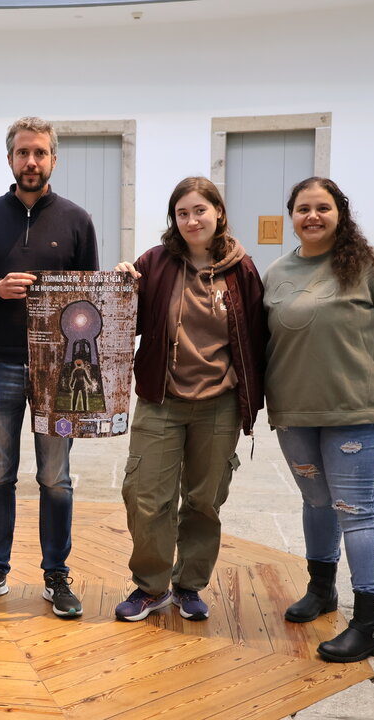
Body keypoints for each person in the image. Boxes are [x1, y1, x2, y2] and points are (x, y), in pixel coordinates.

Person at [264, 177, 374, 662]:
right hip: (294, 412)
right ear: (292, 216)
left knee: (356, 512)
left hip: (353, 414)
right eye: (303, 209)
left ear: (340, 212)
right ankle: (322, 590)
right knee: (316, 501)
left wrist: (365, 376)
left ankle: (371, 624)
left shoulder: (373, 265)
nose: (313, 216)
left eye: (323, 208)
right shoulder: (276, 271)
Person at [0, 117, 98, 617]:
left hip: (59, 372)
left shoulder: (77, 220)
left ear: (53, 159)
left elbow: (91, 299)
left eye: (40, 153)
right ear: (10, 159)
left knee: (56, 478)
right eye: (22, 153)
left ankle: (56, 577)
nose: (31, 161)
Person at [113, 176, 266, 623]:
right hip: (161, 399)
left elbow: (257, 335)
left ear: (218, 212)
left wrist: (248, 387)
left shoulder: (243, 269)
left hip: (219, 404)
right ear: (173, 220)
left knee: (204, 500)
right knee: (144, 496)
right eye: (182, 213)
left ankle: (188, 585)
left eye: (200, 210)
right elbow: (127, 323)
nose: (192, 219)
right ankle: (150, 587)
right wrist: (123, 285)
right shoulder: (156, 263)